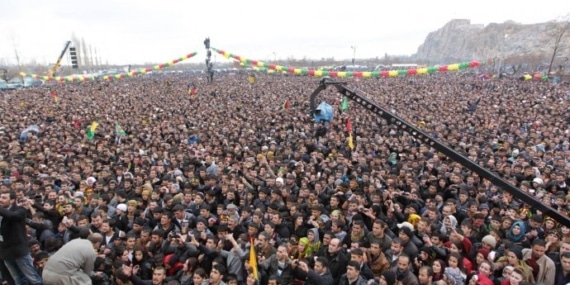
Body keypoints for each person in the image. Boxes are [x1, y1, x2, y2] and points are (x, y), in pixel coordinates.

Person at [0, 192, 44, 285]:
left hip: (19, 250)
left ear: (12, 200)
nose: (0, 200)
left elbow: (11, 216)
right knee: (18, 280)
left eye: (4, 198)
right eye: (0, 198)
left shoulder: (20, 210)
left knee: (33, 278)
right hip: (5, 251)